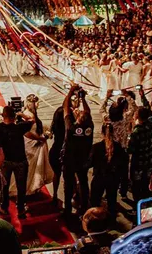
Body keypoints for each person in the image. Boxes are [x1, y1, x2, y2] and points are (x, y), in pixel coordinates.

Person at [0, 105, 33, 218]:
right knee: (21, 186)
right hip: (20, 161)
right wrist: (22, 115)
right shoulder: (20, 127)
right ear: (14, 116)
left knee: (5, 185)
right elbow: (32, 120)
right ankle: (20, 208)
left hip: (6, 161)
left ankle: (4, 206)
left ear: (3, 115)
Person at [61, 84, 94, 217]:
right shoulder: (89, 127)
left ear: (78, 118)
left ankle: (68, 209)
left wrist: (70, 91)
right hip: (83, 159)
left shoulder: (71, 128)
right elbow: (87, 112)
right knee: (83, 182)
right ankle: (84, 206)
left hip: (70, 160)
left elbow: (65, 108)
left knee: (68, 185)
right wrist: (83, 99)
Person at [90, 122, 127, 214]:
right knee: (112, 202)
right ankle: (111, 218)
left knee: (95, 201)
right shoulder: (118, 147)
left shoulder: (96, 147)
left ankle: (96, 218)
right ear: (113, 132)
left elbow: (90, 162)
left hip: (99, 177)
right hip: (113, 178)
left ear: (102, 133)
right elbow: (123, 165)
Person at [127, 104, 152, 203]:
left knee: (137, 184)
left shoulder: (136, 131)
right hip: (150, 159)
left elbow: (130, 149)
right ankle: (148, 198)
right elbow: (151, 114)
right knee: (147, 181)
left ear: (137, 116)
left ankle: (138, 203)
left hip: (139, 162)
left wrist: (131, 131)